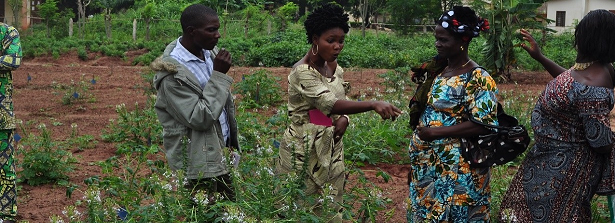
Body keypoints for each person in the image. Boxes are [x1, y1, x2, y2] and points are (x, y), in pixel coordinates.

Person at [274, 3, 401, 222]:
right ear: (315, 39)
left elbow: (338, 102)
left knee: (330, 204)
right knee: (297, 205)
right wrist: (372, 104)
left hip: (330, 143)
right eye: (330, 40)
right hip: (302, 147)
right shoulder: (302, 71)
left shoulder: (334, 67)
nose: (337, 46)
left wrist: (344, 118)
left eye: (341, 41)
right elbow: (329, 104)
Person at [499, 10, 615, 222]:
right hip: (551, 166)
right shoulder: (591, 74)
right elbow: (570, 85)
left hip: (566, 171)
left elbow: (600, 141)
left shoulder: (597, 78)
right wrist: (541, 58)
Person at [407, 6, 495, 222]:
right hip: (429, 168)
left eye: (444, 40)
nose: (438, 44)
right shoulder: (439, 70)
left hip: (459, 172)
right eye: (437, 38)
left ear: (462, 41)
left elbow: (484, 124)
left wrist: (436, 133)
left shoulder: (478, 78)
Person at [152, 4, 239, 202]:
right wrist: (218, 75)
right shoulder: (172, 74)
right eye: (211, 30)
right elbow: (200, 117)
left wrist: (229, 142)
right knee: (204, 213)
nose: (218, 35)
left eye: (217, 28)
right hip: (197, 162)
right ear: (191, 31)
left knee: (228, 210)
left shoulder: (209, 54)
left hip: (219, 152)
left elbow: (221, 108)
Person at [0, 22, 21, 223]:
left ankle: (6, 214)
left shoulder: (8, 32)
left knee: (4, 167)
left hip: (1, 116)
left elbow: (13, 59)